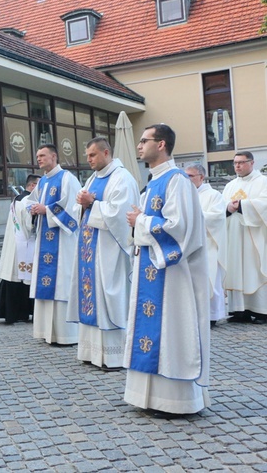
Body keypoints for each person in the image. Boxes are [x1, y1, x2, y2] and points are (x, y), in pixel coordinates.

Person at [124, 124, 210, 418]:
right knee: (152, 332)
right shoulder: (153, 182)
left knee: (172, 330)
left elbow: (180, 229)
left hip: (172, 274)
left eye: (144, 140)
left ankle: (175, 401)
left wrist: (141, 221)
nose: (139, 145)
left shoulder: (178, 181)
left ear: (161, 145)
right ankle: (148, 397)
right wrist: (139, 224)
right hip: (151, 270)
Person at [68, 138, 138, 370]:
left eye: (92, 155)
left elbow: (122, 214)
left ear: (106, 152)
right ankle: (91, 352)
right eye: (87, 155)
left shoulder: (122, 178)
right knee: (92, 295)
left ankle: (114, 356)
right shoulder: (93, 177)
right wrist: (81, 203)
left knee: (110, 298)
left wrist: (92, 203)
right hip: (90, 251)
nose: (88, 160)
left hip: (111, 251)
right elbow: (82, 206)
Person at [26, 144, 81, 345]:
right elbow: (30, 202)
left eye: (42, 155)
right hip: (44, 240)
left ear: (54, 156)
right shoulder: (42, 182)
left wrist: (46, 210)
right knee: (46, 284)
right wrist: (32, 209)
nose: (39, 159)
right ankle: (45, 331)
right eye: (37, 155)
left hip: (63, 242)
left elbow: (75, 210)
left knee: (61, 283)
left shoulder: (68, 178)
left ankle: (66, 335)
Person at [0, 174, 40, 324]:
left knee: (15, 280)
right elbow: (30, 225)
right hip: (24, 246)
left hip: (15, 245)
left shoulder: (18, 200)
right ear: (33, 186)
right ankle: (19, 312)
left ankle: (16, 312)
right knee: (22, 280)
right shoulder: (27, 201)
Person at [222, 151, 267, 324]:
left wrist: (242, 205)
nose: (238, 166)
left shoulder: (262, 182)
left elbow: (265, 204)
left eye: (241, 162)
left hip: (254, 237)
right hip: (233, 235)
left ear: (252, 163)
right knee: (236, 269)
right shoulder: (230, 185)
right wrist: (228, 208)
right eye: (235, 163)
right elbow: (221, 205)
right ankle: (240, 310)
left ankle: (262, 311)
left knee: (254, 269)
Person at [185, 163, 227, 327]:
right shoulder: (183, 194)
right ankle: (193, 314)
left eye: (190, 176)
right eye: (185, 176)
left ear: (201, 177)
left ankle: (212, 315)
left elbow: (217, 217)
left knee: (210, 279)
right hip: (188, 244)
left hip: (208, 243)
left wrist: (194, 216)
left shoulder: (213, 195)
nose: (187, 179)